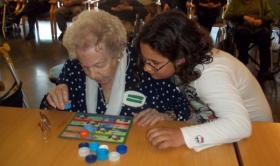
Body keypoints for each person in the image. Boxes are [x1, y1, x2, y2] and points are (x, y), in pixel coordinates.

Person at [135, 11, 273, 151]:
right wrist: (169, 116)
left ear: (180, 58)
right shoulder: (185, 63)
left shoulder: (210, 75)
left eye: (155, 63)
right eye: (145, 60)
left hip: (255, 140)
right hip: (227, 133)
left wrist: (183, 136)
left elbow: (240, 125)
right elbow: (202, 109)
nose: (146, 68)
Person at [40, 10, 190, 126]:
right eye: (85, 66)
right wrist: (53, 101)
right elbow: (49, 110)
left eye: (99, 65)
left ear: (118, 51)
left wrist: (166, 116)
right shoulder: (74, 67)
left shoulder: (146, 68)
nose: (92, 73)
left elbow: (182, 109)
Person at [224, 0, 274, 83]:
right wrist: (243, 17)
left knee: (264, 36)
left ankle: (264, 70)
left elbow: (270, 14)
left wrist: (261, 21)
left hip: (258, 28)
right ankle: (243, 63)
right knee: (243, 35)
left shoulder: (261, 1)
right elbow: (227, 15)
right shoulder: (235, 2)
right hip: (243, 28)